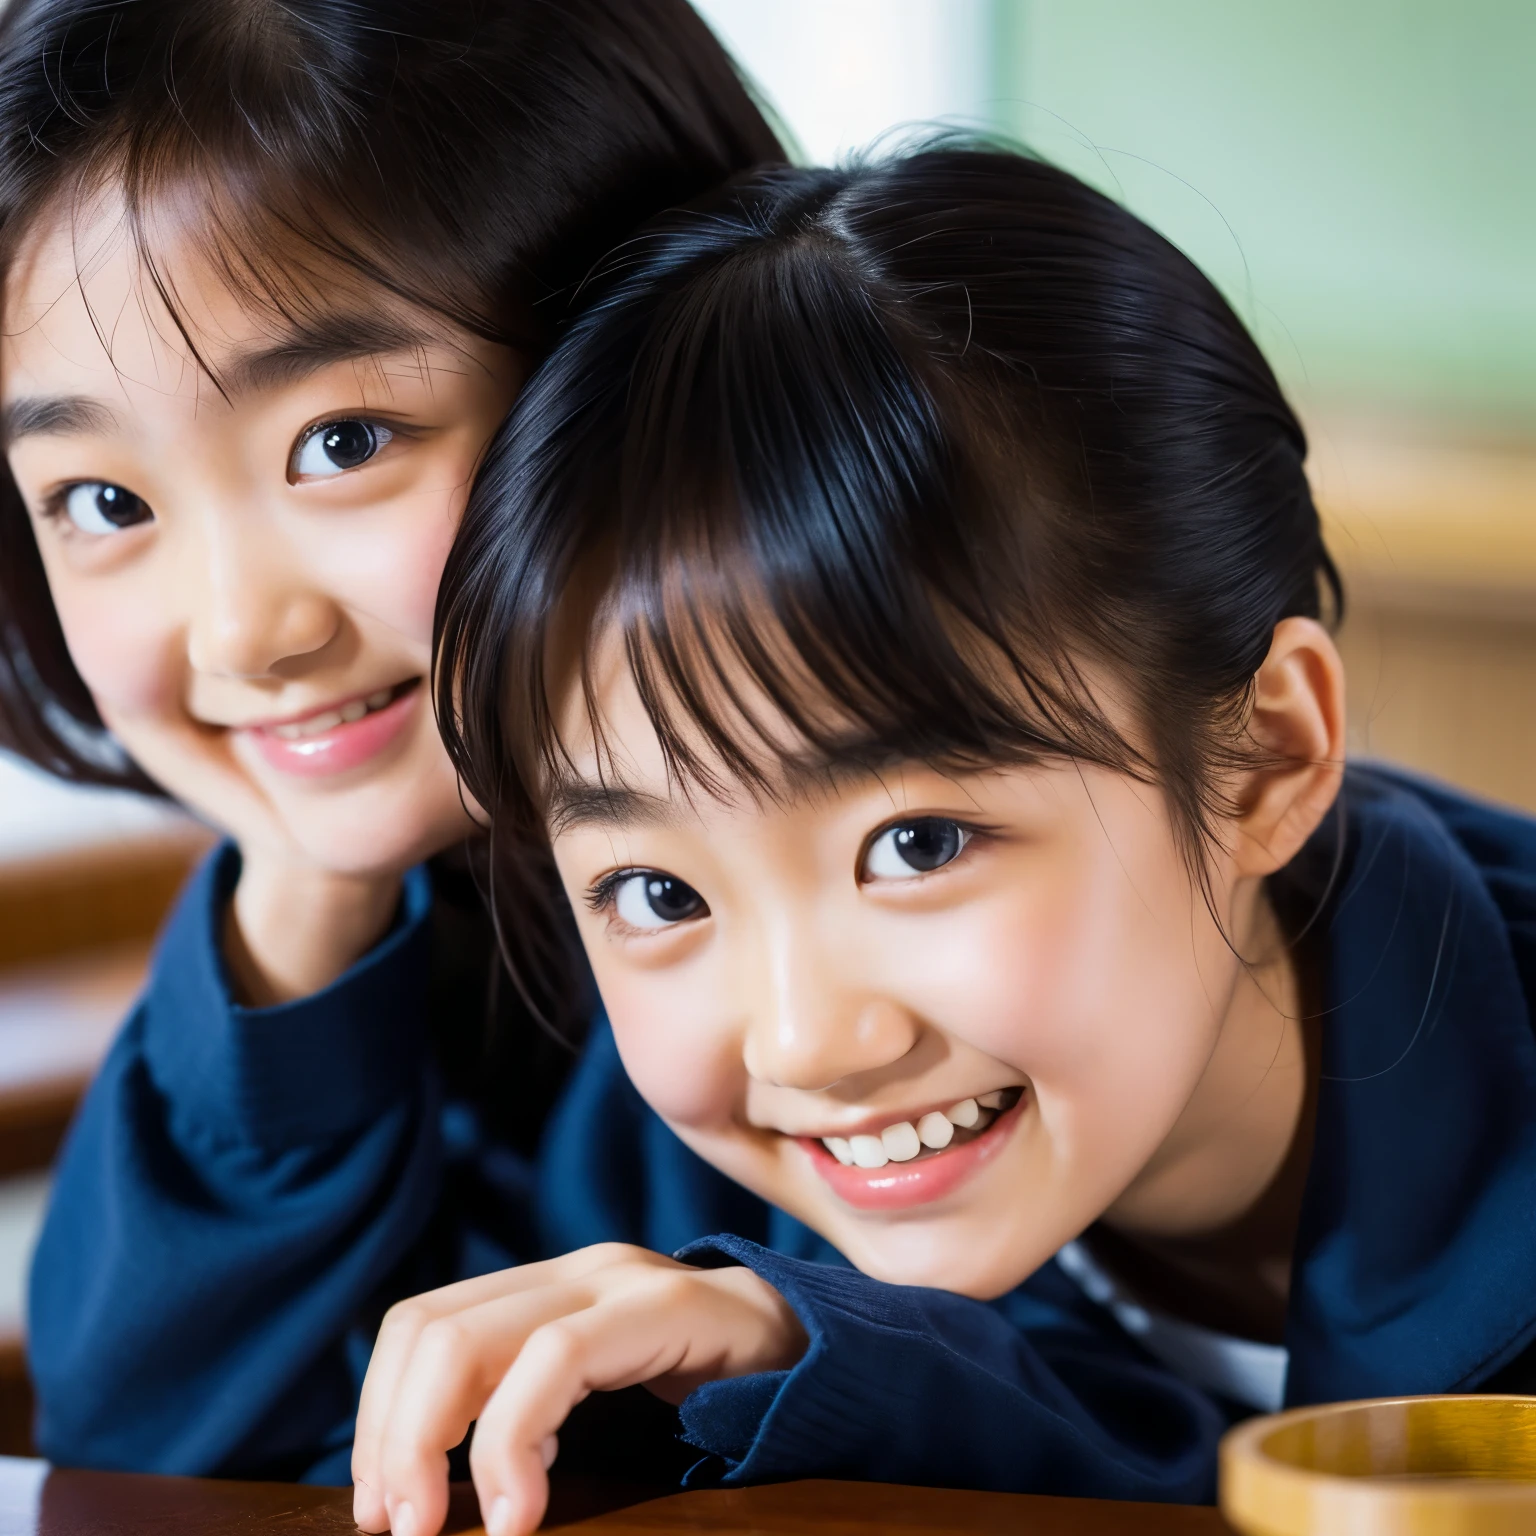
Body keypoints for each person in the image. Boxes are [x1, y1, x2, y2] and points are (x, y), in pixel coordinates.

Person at [365, 147, 1536, 1536]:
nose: (804, 1042)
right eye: (656, 887)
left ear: (1265, 758)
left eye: (917, 844)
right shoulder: (669, 1184)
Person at [1, 0, 783, 1485]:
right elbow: (144, 1454)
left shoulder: (895, 891)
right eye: (103, 502)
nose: (241, 633)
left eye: (342, 442)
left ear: (630, 362)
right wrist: (303, 884)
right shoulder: (364, 911)